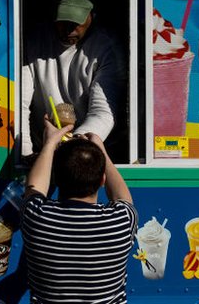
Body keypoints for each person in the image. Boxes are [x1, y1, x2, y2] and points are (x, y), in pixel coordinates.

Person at [20, 118, 136, 304]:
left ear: (56, 179)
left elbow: (35, 188)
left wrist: (49, 144)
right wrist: (100, 149)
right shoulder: (121, 222)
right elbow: (123, 198)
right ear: (102, 181)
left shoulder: (36, 217)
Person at [20, 0, 125, 157]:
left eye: (76, 24)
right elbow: (21, 104)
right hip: (43, 147)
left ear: (92, 17)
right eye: (63, 23)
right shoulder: (33, 41)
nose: (69, 30)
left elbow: (103, 111)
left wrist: (76, 145)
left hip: (89, 149)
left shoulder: (106, 47)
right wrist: (25, 152)